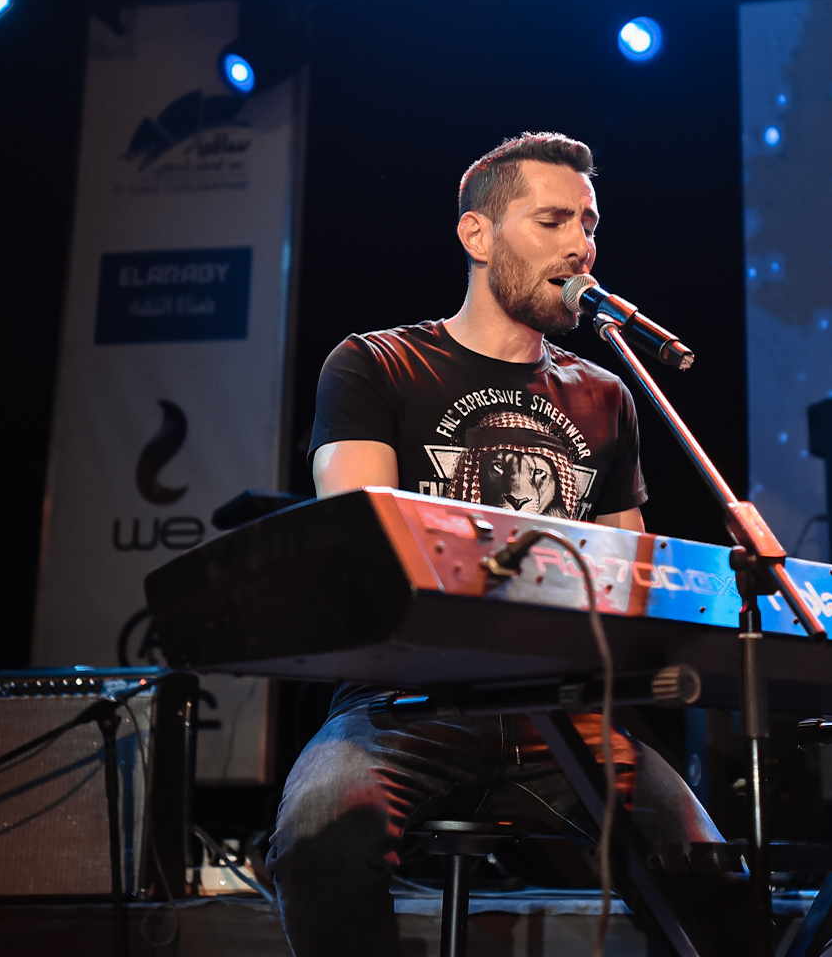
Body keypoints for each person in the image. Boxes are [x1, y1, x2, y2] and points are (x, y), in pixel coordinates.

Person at [268, 132, 731, 957]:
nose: (580, 244)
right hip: (405, 704)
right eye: (552, 220)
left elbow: (628, 574)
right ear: (476, 235)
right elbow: (360, 540)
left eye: (588, 223)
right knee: (318, 839)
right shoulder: (376, 364)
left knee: (710, 871)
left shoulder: (607, 395)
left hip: (562, 711)